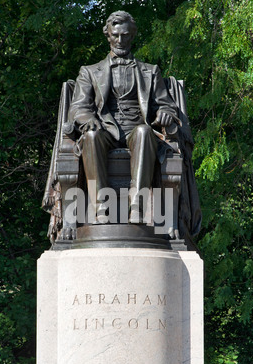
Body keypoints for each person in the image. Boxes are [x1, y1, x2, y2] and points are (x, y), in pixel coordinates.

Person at [68, 11, 180, 223]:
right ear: (108, 35)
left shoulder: (151, 71)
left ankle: (138, 207)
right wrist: (88, 118)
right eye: (116, 35)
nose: (121, 40)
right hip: (105, 130)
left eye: (125, 35)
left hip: (137, 130)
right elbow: (77, 108)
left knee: (144, 131)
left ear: (132, 35)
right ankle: (101, 209)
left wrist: (166, 113)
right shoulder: (90, 72)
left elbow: (167, 105)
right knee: (90, 136)